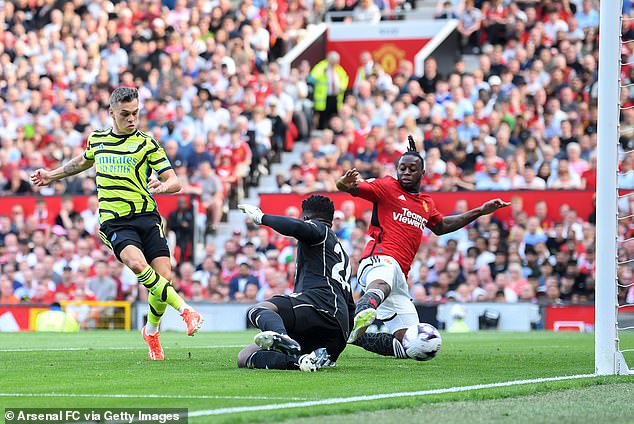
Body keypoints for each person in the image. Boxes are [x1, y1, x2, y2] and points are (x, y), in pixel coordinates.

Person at [30, 87, 203, 360]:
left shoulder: (148, 144)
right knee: (137, 265)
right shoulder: (97, 139)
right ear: (112, 113)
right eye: (125, 114)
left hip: (147, 216)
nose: (132, 119)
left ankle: (151, 331)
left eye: (135, 113)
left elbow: (175, 181)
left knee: (164, 277)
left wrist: (162, 186)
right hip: (115, 221)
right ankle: (186, 311)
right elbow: (81, 162)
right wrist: (51, 175)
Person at [336, 136, 509, 359]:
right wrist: (344, 181)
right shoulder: (387, 186)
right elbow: (345, 186)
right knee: (384, 279)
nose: (406, 172)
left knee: (410, 342)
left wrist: (479, 211)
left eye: (412, 168)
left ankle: (351, 334)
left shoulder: (426, 203)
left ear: (422, 173)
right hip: (379, 257)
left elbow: (442, 226)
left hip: (401, 274)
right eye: (402, 168)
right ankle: (363, 311)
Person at [236, 195, 354, 371]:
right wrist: (339, 345)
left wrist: (262, 218)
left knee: (258, 309)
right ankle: (301, 361)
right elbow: (350, 304)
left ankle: (282, 337)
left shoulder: (320, 230)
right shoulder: (340, 253)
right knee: (244, 356)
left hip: (318, 307)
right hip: (336, 333)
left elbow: (299, 228)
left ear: (306, 218)